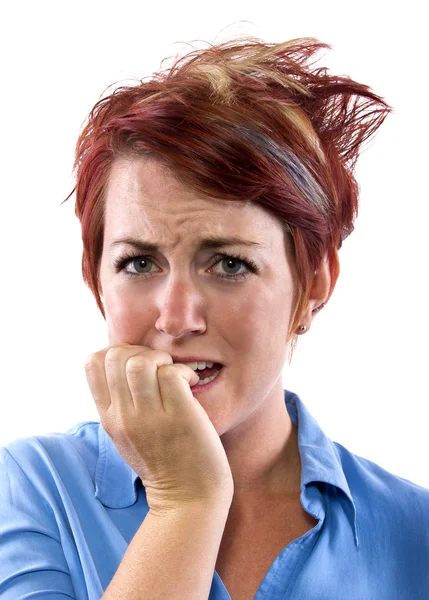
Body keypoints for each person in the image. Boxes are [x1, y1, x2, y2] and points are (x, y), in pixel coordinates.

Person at [1, 35, 428, 600]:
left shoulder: (414, 534)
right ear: (95, 278)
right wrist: (186, 502)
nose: (176, 319)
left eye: (229, 263)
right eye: (139, 261)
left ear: (316, 281)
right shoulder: (30, 487)